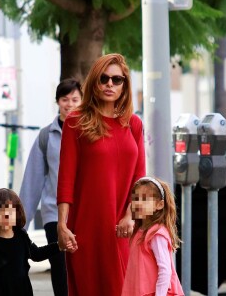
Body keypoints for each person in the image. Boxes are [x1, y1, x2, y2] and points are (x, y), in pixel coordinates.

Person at [57, 53, 146, 296]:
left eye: (117, 80)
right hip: (86, 228)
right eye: (104, 78)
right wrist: (62, 225)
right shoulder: (76, 121)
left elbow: (140, 180)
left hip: (124, 228)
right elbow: (66, 177)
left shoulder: (134, 124)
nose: (110, 84)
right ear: (94, 82)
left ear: (124, 85)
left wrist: (130, 215)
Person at [19, 78, 82, 296]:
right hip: (54, 213)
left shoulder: (89, 131)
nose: (70, 104)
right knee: (60, 267)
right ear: (57, 102)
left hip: (83, 212)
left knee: (82, 268)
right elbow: (32, 180)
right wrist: (20, 227)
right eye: (65, 99)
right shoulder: (47, 136)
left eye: (75, 99)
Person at [0, 188, 61, 296]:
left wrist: (59, 245)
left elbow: (37, 254)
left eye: (10, 212)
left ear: (17, 214)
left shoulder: (21, 237)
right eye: (1, 212)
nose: (6, 216)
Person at [122, 177, 184, 296]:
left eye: (145, 199)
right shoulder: (139, 231)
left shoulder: (156, 234)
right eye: (136, 199)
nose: (139, 203)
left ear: (160, 205)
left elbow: (165, 270)